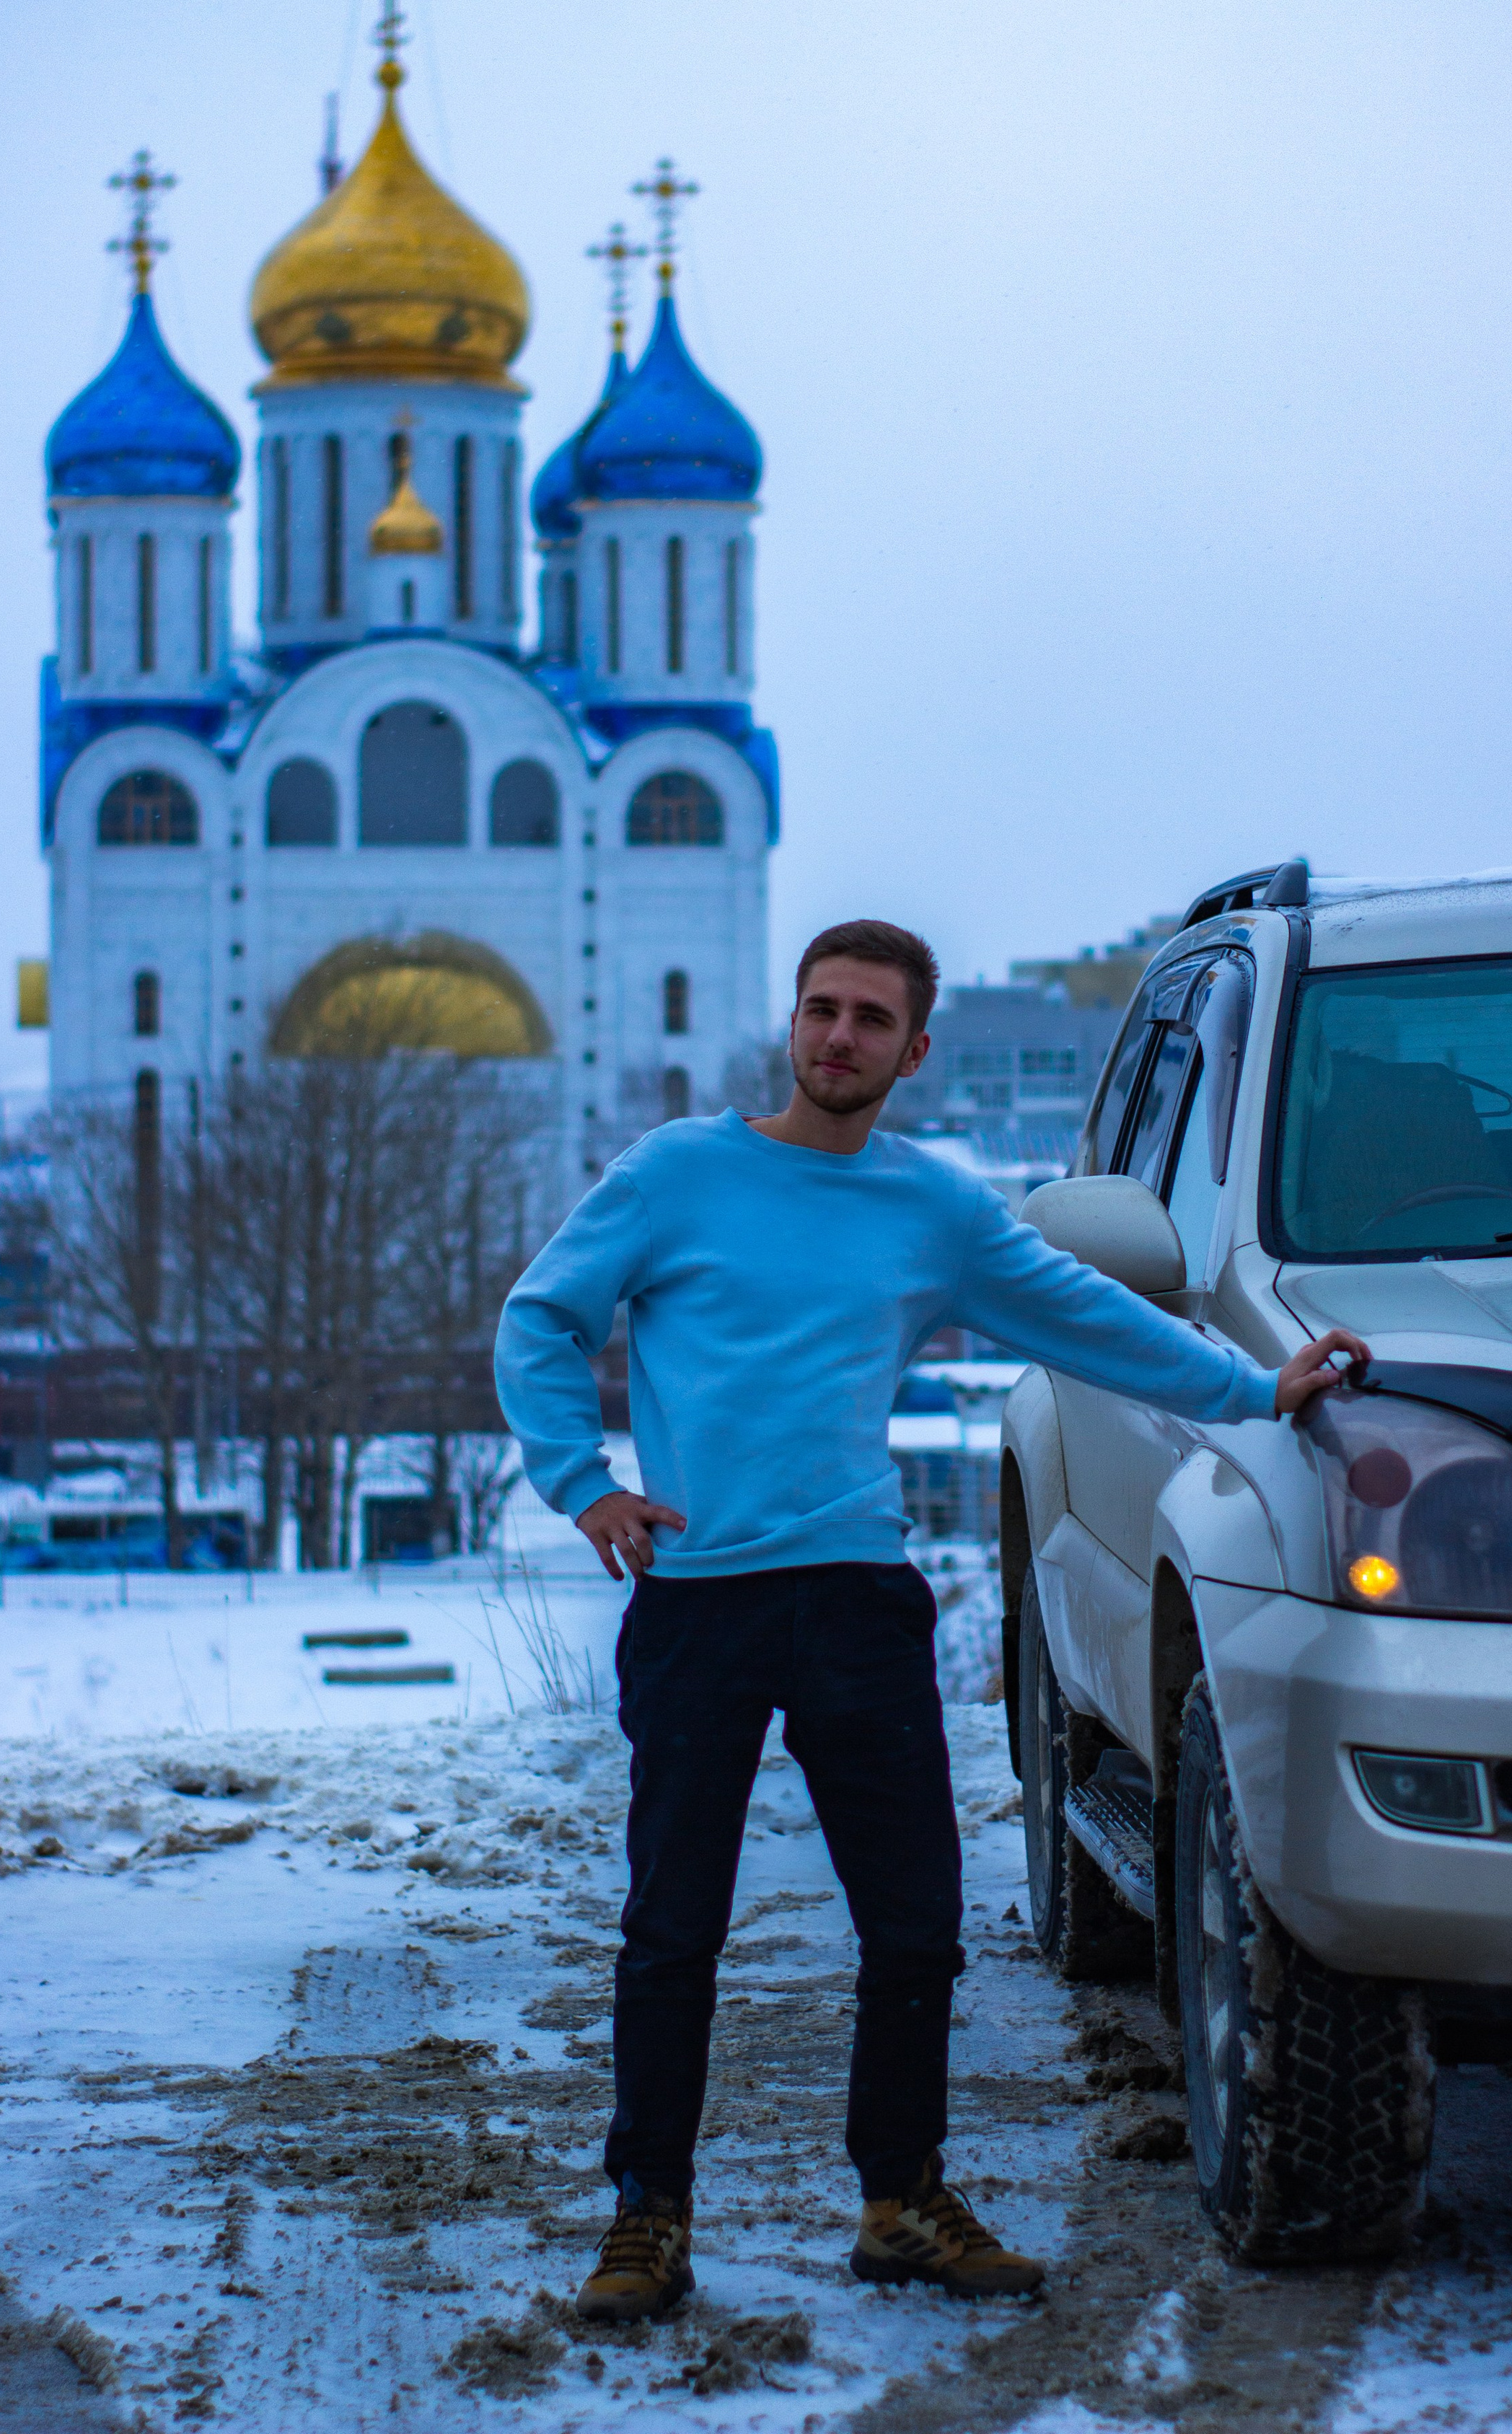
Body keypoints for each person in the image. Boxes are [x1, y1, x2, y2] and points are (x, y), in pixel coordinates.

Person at [494, 919, 1367, 2323]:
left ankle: (899, 2202)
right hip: (696, 1605)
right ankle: (645, 2218)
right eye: (819, 1010)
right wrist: (583, 1484)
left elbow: (1084, 1315)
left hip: (853, 1595)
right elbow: (539, 1322)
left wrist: (1256, 1388)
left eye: (867, 1021)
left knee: (913, 1929)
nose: (837, 1037)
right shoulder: (675, 1176)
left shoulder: (932, 1208)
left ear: (909, 1049)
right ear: (794, 1024)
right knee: (673, 1930)